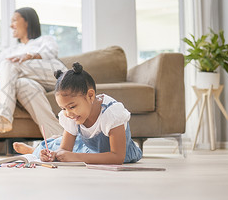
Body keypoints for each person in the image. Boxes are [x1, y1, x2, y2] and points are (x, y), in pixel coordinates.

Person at [12, 62, 142, 165]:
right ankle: (35, 151)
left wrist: (75, 157)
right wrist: (53, 156)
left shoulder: (111, 113)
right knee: (60, 145)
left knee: (75, 150)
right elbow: (65, 149)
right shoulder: (73, 115)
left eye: (72, 106)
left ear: (90, 96)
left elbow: (117, 157)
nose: (68, 113)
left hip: (118, 152)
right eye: (63, 108)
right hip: (90, 149)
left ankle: (34, 150)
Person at [0, 7, 67, 137]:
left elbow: (51, 51)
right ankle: (58, 139)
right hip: (29, 80)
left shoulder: (44, 40)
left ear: (27, 22)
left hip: (55, 75)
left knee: (9, 63)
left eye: (14, 20)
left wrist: (30, 55)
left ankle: (3, 117)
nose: (11, 25)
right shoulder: (10, 51)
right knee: (22, 84)